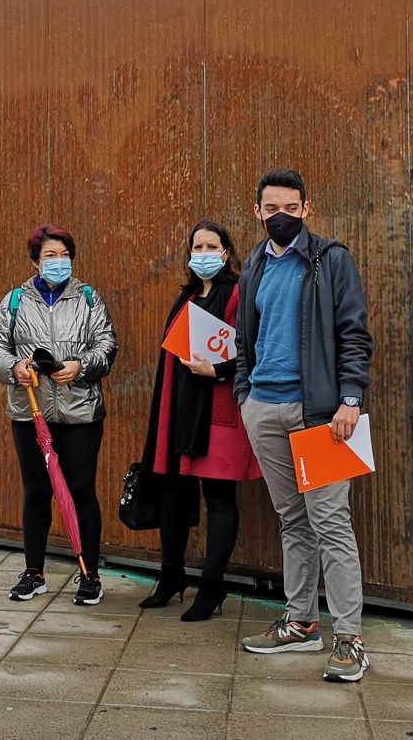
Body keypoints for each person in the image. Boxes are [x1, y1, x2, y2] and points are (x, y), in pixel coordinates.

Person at [234, 170, 375, 683]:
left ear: (306, 209)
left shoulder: (330, 260)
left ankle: (350, 639)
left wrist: (350, 399)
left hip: (320, 415)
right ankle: (300, 623)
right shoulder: (253, 265)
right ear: (257, 212)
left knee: (331, 524)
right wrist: (245, 395)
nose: (281, 217)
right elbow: (245, 338)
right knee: (292, 520)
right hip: (264, 409)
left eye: (290, 208)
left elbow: (354, 333)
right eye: (272, 208)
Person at [0, 224, 118, 607]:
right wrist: (15, 369)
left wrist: (81, 365)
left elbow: (107, 345)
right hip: (31, 412)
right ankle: (34, 572)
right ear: (35, 261)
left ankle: (89, 574)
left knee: (81, 492)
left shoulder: (89, 299)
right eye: (50, 256)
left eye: (64, 255)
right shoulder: (14, 301)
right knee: (36, 493)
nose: (59, 263)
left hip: (80, 413)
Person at [139, 220, 262, 621]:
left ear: (226, 252)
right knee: (173, 494)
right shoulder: (188, 296)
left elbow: (255, 347)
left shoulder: (239, 293)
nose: (204, 253)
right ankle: (171, 576)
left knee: (219, 499)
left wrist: (221, 371)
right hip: (179, 412)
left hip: (218, 412)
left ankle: (212, 587)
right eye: (198, 246)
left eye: (212, 246)